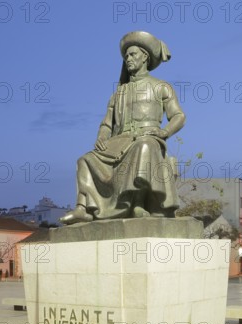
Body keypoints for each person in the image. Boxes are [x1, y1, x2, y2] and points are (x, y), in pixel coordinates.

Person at [60, 31, 186, 225]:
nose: (128, 59)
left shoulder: (161, 86)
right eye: (126, 56)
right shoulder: (119, 93)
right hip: (119, 141)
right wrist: (102, 136)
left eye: (132, 54)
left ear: (145, 56)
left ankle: (136, 203)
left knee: (144, 146)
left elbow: (179, 116)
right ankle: (83, 208)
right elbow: (107, 123)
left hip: (148, 137)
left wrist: (164, 132)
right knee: (85, 159)